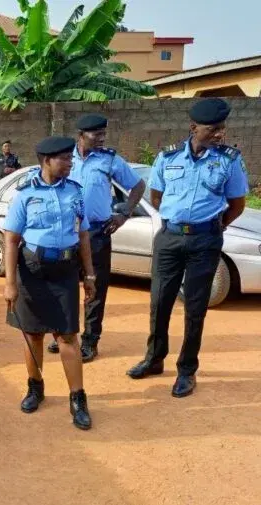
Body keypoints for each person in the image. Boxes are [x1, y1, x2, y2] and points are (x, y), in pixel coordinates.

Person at [126, 98, 249, 397]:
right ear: (194, 128)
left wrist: (214, 227)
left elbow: (237, 204)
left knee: (195, 308)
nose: (220, 134)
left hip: (205, 241)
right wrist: (178, 222)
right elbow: (157, 198)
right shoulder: (167, 158)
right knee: (159, 302)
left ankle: (186, 370)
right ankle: (154, 360)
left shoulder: (229, 160)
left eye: (222, 128)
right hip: (170, 238)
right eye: (213, 129)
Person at [2, 136, 97, 431]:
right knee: (33, 335)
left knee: (68, 336)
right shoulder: (25, 194)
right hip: (31, 270)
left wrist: (89, 274)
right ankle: (35, 387)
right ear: (47, 161)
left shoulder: (75, 193)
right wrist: (10, 283)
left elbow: (83, 235)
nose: (70, 163)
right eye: (64, 159)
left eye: (70, 158)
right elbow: (11, 239)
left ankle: (77, 398)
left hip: (65, 271)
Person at [46, 114, 145, 361]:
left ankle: (90, 340)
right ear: (81, 136)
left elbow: (138, 185)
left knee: (95, 289)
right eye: (96, 134)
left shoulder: (110, 160)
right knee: (63, 286)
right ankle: (65, 334)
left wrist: (124, 213)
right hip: (66, 233)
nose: (102, 138)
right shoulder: (65, 157)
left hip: (97, 233)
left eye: (103, 134)